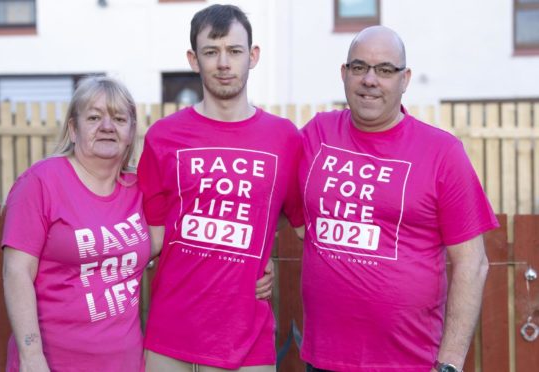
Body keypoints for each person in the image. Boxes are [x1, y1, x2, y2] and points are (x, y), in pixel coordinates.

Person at [299, 26, 498, 372]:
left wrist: (449, 363)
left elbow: (473, 263)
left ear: (404, 79)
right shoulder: (317, 134)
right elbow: (268, 203)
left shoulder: (441, 153)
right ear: (344, 74)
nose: (370, 80)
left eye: (385, 70)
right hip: (325, 360)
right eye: (359, 67)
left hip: (410, 362)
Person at [138, 4, 303, 371]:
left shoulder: (284, 139)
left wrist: (259, 256)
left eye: (234, 50)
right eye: (211, 52)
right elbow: (152, 236)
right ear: (194, 60)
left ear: (253, 56)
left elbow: (299, 221)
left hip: (247, 345)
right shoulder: (163, 137)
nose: (223, 63)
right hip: (170, 339)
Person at [2, 76, 151, 372]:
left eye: (119, 118)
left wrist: (255, 272)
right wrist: (32, 357)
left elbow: (185, 240)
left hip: (126, 363)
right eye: (94, 117)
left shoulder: (141, 189)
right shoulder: (41, 181)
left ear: (131, 131)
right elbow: (16, 272)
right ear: (73, 128)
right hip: (54, 363)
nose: (107, 126)